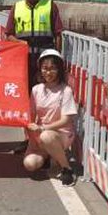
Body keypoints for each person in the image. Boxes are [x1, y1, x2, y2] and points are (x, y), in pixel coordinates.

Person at [5, 0, 64, 153]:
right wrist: (19, 43)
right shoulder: (17, 8)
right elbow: (9, 34)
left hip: (46, 64)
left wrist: (57, 61)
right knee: (27, 103)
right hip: (24, 64)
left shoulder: (50, 5)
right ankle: (29, 139)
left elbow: (58, 35)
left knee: (46, 102)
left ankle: (45, 140)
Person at [23, 49, 77, 186]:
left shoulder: (65, 91)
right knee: (30, 164)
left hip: (61, 133)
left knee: (46, 136)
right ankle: (50, 155)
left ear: (59, 70)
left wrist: (42, 128)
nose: (48, 72)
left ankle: (67, 169)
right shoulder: (36, 89)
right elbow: (31, 116)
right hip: (40, 134)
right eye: (45, 68)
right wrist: (30, 134)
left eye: (53, 68)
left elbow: (65, 120)